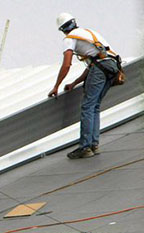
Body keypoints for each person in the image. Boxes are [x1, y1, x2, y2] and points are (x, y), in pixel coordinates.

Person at [48, 12, 121, 159]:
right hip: (112, 66)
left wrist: (56, 86)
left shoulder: (70, 39)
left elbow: (67, 64)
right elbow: (93, 66)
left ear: (62, 29)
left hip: (101, 68)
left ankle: (85, 147)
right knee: (95, 106)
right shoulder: (89, 33)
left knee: (88, 106)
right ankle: (94, 144)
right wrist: (75, 83)